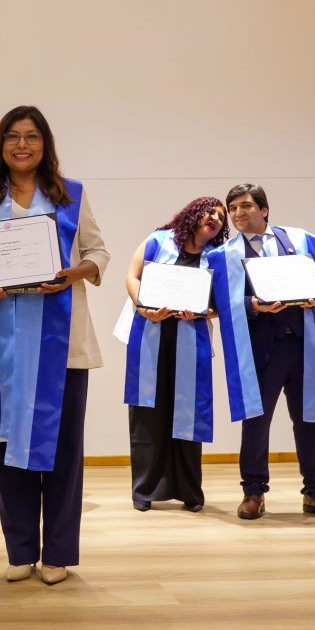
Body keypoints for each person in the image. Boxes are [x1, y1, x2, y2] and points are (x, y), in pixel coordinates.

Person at [0, 106, 109, 585]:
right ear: (0, 144)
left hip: (62, 345)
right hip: (3, 342)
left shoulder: (71, 194)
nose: (22, 145)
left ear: (45, 144)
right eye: (12, 136)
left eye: (31, 136)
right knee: (6, 446)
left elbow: (99, 252)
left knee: (64, 451)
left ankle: (58, 554)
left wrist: (74, 272)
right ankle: (20, 550)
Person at [207, 183, 315, 522]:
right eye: (233, 208)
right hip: (258, 349)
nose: (238, 213)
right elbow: (218, 302)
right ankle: (253, 492)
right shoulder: (222, 255)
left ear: (264, 209)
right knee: (255, 423)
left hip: (303, 344)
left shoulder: (299, 239)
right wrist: (253, 305)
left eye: (245, 206)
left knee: (309, 420)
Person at [123, 197, 228, 513]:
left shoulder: (218, 256)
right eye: (210, 211)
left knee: (189, 414)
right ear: (194, 213)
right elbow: (132, 276)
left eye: (221, 217)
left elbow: (223, 305)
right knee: (147, 414)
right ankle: (143, 490)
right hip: (151, 334)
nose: (216, 218)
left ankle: (190, 491)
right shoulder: (158, 240)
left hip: (190, 338)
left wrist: (202, 312)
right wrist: (143, 307)